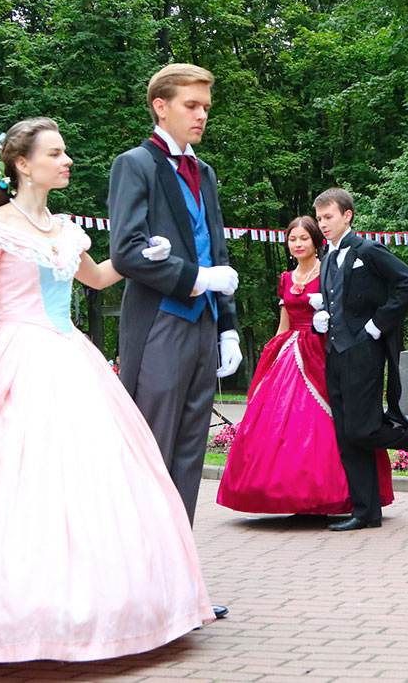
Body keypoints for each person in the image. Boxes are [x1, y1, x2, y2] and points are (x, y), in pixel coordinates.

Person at [0, 120, 213, 669]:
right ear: (22, 164)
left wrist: (146, 254)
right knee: (3, 484)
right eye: (57, 153)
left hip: (69, 355)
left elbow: (99, 279)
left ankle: (94, 612)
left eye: (65, 152)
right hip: (12, 354)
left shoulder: (65, 229)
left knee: (90, 484)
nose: (67, 161)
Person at [109, 63, 241, 527]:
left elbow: (216, 248)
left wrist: (228, 328)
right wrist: (194, 277)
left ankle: (178, 582)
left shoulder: (203, 171)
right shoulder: (134, 164)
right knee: (152, 450)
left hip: (203, 325)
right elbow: (125, 252)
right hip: (161, 325)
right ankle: (140, 581)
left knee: (189, 455)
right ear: (160, 108)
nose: (202, 114)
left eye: (205, 106)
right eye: (191, 105)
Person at [217, 216, 394, 515]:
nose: (298, 244)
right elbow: (283, 323)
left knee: (330, 421)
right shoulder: (286, 278)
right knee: (275, 421)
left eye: (304, 239)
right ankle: (284, 492)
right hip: (289, 350)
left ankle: (338, 492)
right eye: (292, 239)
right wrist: (271, 357)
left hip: (321, 349)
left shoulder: (328, 270)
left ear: (315, 242)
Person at [312, 188, 408, 530]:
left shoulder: (368, 250)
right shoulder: (328, 255)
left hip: (363, 350)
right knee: (345, 434)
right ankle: (366, 512)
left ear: (347, 215)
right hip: (334, 352)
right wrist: (324, 317)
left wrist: (378, 324)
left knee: (361, 428)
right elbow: (339, 297)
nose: (323, 224)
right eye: (319, 218)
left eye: (328, 217)